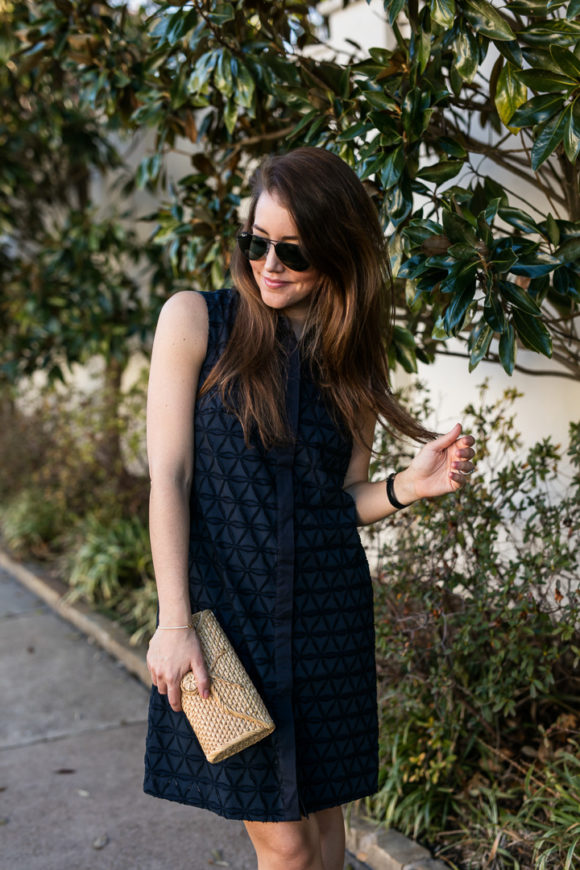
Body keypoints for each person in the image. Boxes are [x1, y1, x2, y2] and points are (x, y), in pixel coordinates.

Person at [143, 146, 475, 870]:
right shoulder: (196, 322)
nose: (269, 265)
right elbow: (167, 475)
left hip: (327, 621)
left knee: (326, 837)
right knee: (288, 847)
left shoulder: (349, 356)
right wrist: (173, 623)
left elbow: (339, 499)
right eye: (256, 243)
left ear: (337, 252)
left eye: (292, 251)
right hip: (226, 623)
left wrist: (407, 488)